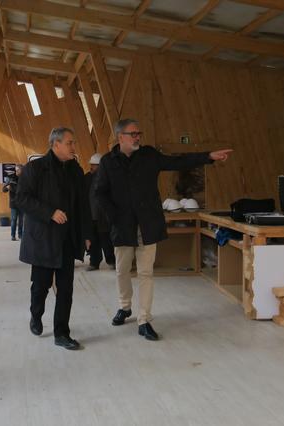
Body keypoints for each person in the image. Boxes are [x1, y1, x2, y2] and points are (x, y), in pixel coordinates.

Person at [95, 118, 232, 341]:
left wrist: (208, 156)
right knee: (122, 271)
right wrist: (114, 217)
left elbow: (178, 162)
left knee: (146, 273)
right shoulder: (108, 162)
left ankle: (144, 319)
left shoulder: (149, 156)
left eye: (139, 133)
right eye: (133, 134)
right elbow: (99, 192)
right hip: (122, 227)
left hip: (147, 225)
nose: (137, 137)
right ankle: (125, 306)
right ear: (120, 137)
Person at [16, 127, 92, 350]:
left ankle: (62, 333)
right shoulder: (35, 168)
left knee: (66, 289)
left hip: (67, 240)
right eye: (69, 143)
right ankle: (36, 315)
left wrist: (87, 234)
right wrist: (49, 212)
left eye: (73, 142)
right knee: (40, 286)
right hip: (43, 240)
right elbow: (21, 199)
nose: (73, 147)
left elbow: (83, 205)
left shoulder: (76, 171)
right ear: (55, 144)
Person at [84, 153, 115, 271]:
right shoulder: (87, 178)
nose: (91, 167)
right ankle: (94, 262)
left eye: (94, 165)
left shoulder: (108, 178)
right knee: (93, 241)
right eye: (91, 165)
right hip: (91, 216)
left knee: (106, 240)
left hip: (104, 216)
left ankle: (111, 261)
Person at [2, 164, 24, 241]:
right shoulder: (11, 178)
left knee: (21, 221)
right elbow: (4, 189)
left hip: (22, 203)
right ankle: (13, 235)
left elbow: (22, 190)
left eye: (19, 170)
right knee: (14, 220)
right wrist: (7, 188)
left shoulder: (25, 178)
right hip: (13, 203)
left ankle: (20, 235)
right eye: (17, 170)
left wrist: (12, 188)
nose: (18, 171)